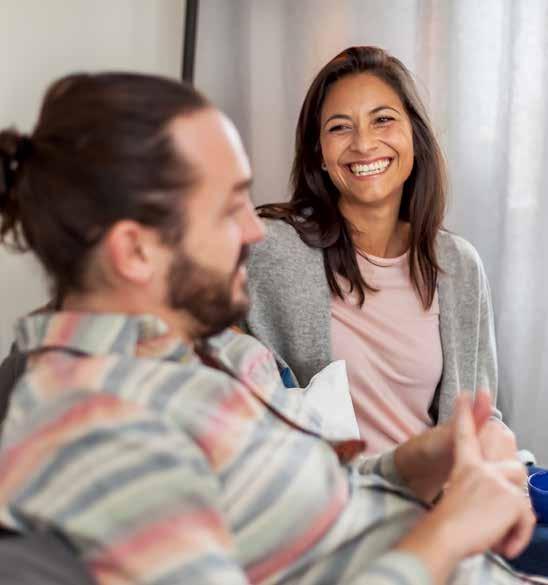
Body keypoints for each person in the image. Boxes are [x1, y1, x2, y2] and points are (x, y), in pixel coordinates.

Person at [0, 71, 536, 585]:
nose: (256, 231)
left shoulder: (201, 353)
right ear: (136, 251)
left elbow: (307, 515)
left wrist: (410, 463)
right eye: (229, 206)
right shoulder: (100, 426)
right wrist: (451, 532)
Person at [244, 46, 499, 453]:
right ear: (320, 155)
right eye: (340, 128)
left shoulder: (458, 264)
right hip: (329, 504)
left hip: (434, 501)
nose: (364, 144)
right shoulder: (271, 249)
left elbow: (479, 417)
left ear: (413, 135)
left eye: (382, 120)